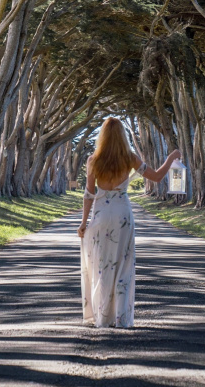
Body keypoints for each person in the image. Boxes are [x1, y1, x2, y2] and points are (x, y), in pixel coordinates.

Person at [77, 117, 181, 328]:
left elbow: (89, 194)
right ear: (123, 137)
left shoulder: (93, 160)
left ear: (102, 137)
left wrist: (83, 222)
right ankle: (121, 317)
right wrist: (171, 158)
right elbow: (157, 177)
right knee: (123, 266)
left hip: (101, 216)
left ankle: (103, 316)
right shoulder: (130, 158)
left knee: (102, 266)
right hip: (123, 215)